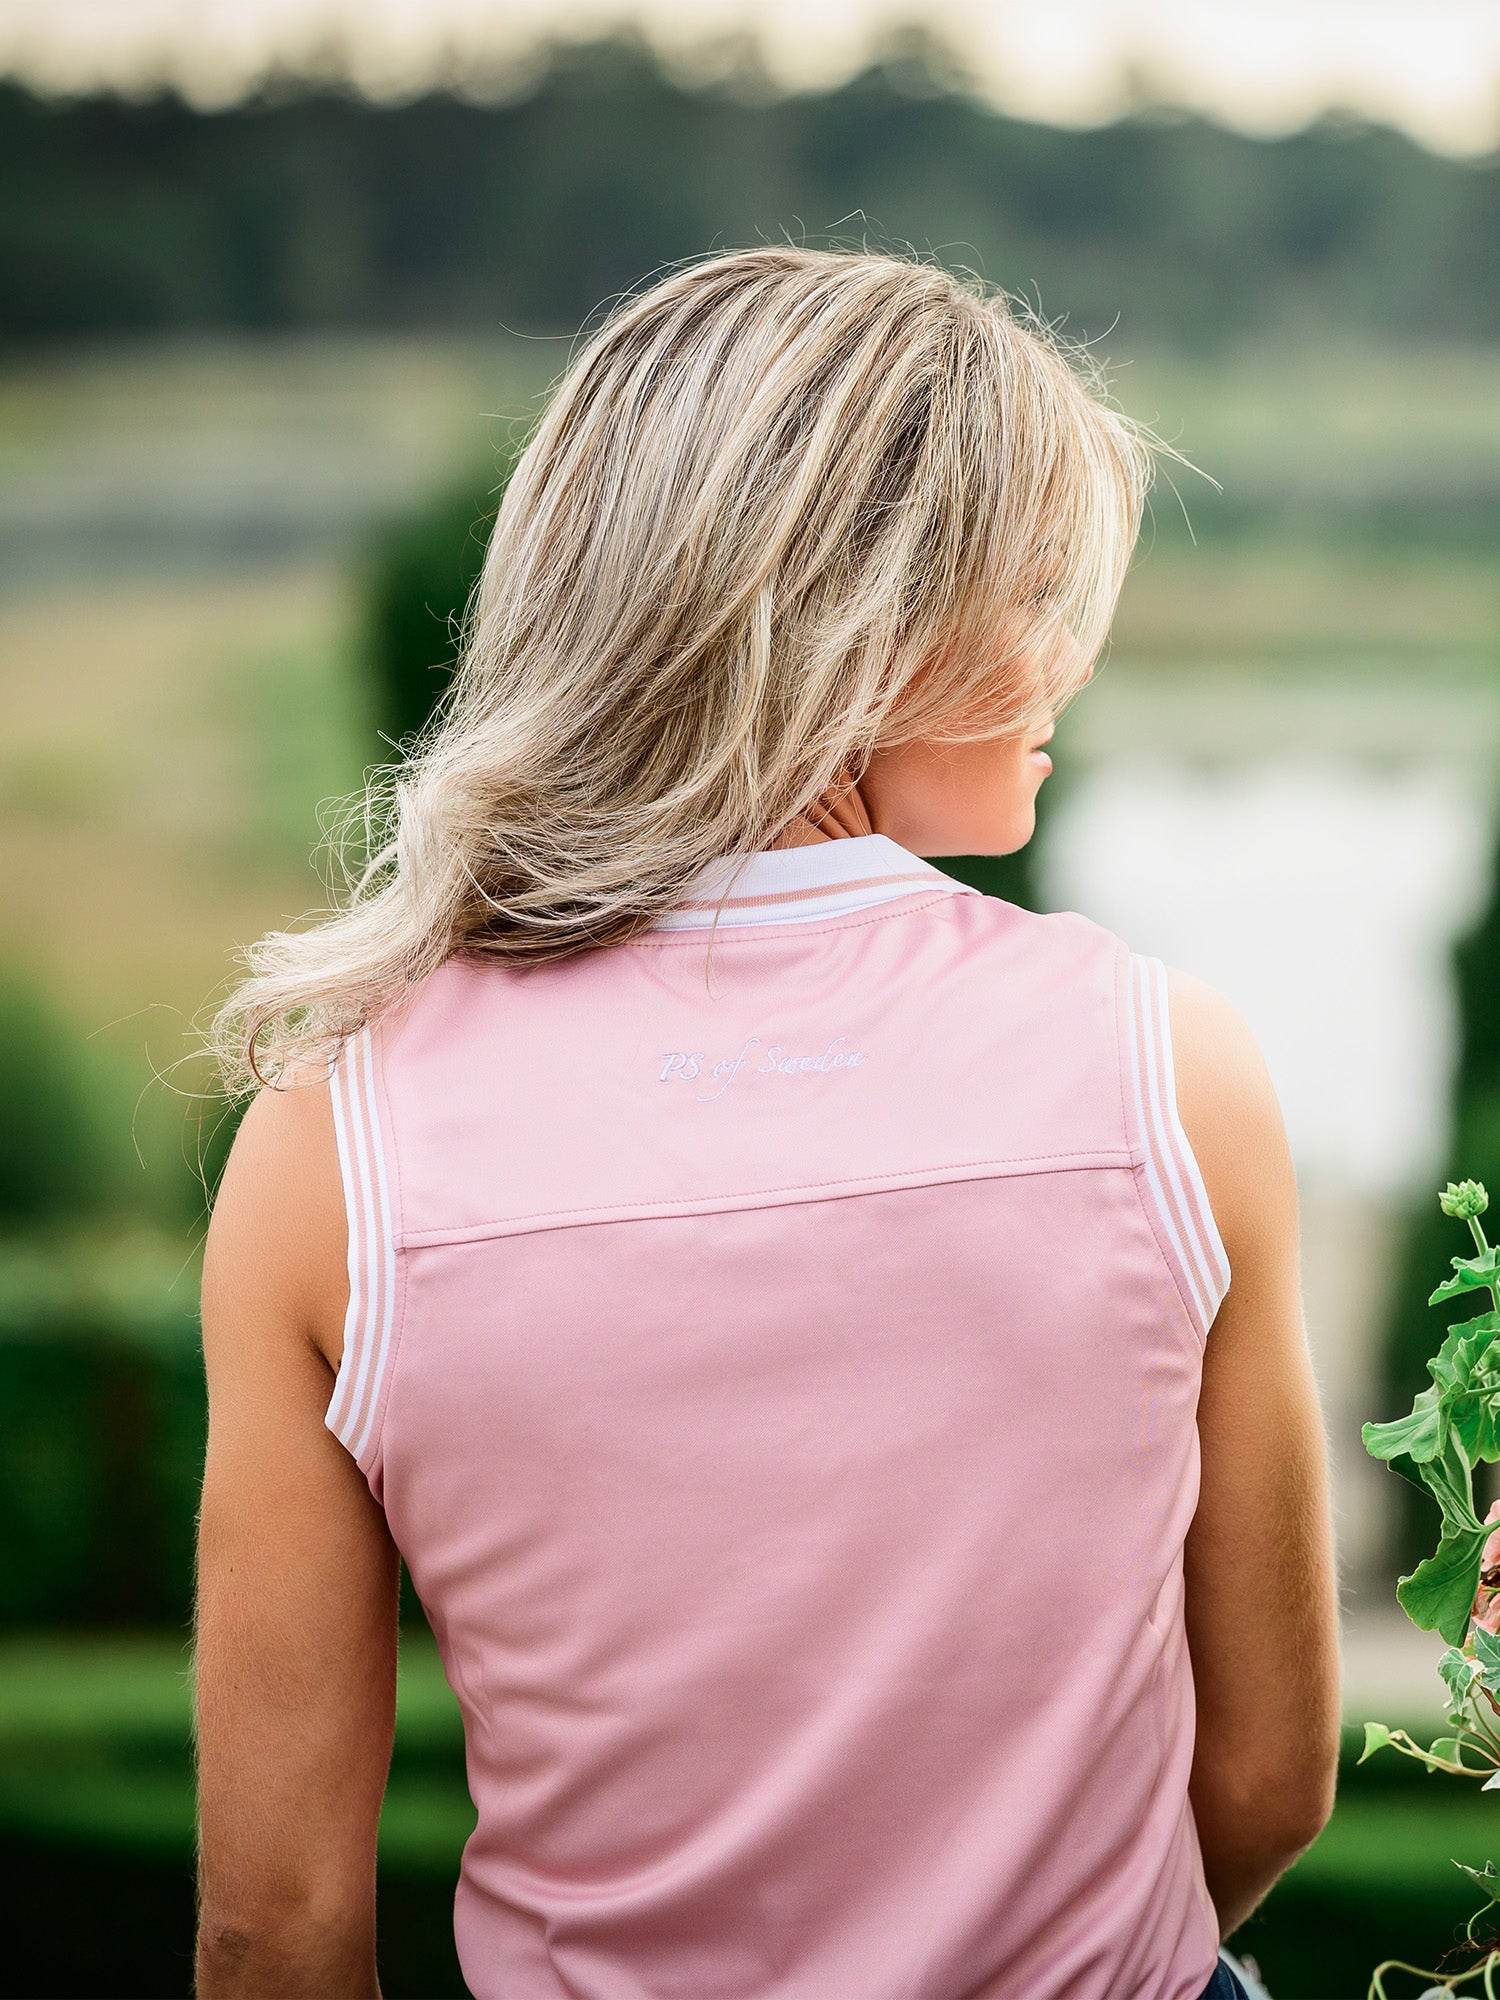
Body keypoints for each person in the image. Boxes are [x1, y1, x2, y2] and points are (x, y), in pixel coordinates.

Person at [194, 247, 1341, 2000]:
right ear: (869, 625)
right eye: (1033, 586)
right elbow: (1268, 1779)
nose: (1069, 663)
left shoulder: (328, 1142)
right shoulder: (1164, 1067)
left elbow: (273, 1929)